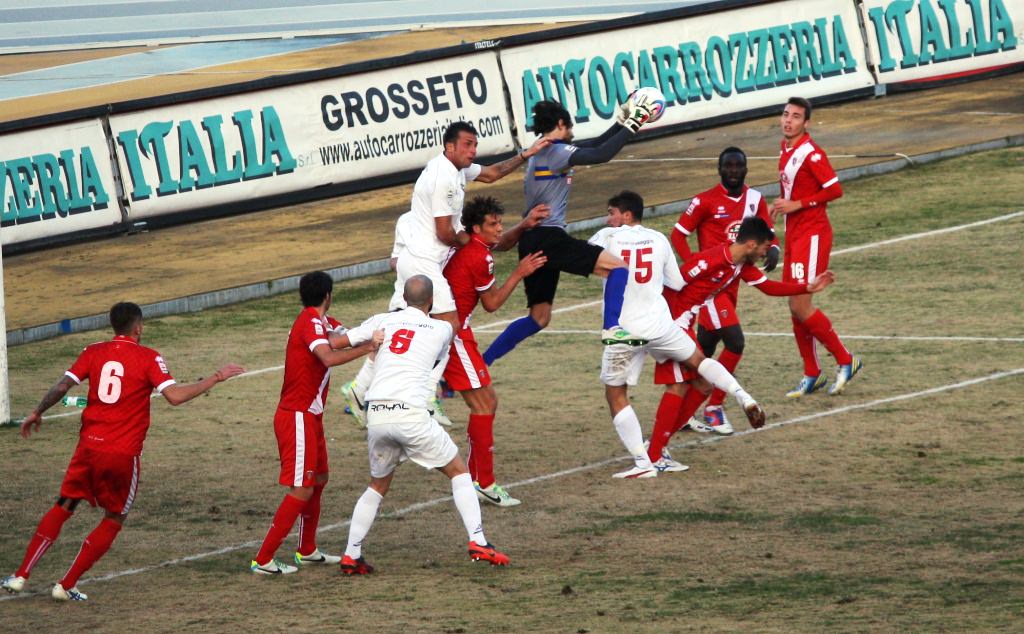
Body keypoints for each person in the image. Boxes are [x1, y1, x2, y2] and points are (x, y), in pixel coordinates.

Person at [1, 302, 245, 601]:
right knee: (115, 516)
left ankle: (20, 575)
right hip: (121, 453)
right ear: (138, 328)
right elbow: (174, 396)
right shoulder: (148, 357)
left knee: (64, 504)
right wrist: (216, 377)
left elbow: (63, 385)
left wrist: (37, 411)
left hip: (88, 447)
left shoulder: (93, 351)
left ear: (113, 325)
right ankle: (65, 585)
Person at [343, 123, 551, 426]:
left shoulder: (457, 170)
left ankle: (360, 389)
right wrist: (468, 242)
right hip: (424, 264)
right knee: (448, 327)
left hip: (413, 261)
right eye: (467, 144)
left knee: (396, 327)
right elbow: (444, 232)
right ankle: (429, 392)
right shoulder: (442, 177)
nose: (472, 150)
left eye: (475, 145)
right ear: (449, 146)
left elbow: (492, 174)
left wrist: (525, 155)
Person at [338, 275, 510, 574]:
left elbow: (340, 341)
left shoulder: (382, 320)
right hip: (411, 414)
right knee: (458, 471)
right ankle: (478, 540)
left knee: (378, 485)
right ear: (430, 301)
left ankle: (351, 554)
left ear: (403, 299)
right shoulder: (442, 328)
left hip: (377, 414)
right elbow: (441, 353)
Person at [588, 191, 766, 479]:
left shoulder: (607, 236)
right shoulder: (659, 239)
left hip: (625, 327)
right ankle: (739, 397)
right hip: (663, 324)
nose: (609, 218)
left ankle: (649, 458)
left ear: (626, 215)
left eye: (611, 212)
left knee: (618, 394)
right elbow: (678, 280)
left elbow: (583, 259)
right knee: (698, 368)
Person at [482, 95, 660, 366]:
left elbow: (596, 144)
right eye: (570, 127)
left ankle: (483, 362)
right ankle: (612, 328)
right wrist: (635, 122)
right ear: (561, 123)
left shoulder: (544, 149)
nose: (573, 133)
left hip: (533, 239)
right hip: (548, 237)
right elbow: (601, 154)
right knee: (618, 267)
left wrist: (621, 123)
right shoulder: (556, 152)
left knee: (539, 317)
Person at [646, 217, 835, 464]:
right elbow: (675, 283)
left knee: (702, 385)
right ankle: (654, 454)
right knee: (680, 385)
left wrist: (806, 288)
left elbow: (768, 287)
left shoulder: (740, 266)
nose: (766, 253)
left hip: (684, 324)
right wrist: (662, 323)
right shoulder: (711, 259)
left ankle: (658, 447)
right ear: (751, 245)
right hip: (672, 324)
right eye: (765, 248)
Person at [250, 272, 380, 576]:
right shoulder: (309, 322)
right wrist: (368, 348)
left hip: (310, 416)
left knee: (318, 480)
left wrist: (377, 332)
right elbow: (328, 357)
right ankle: (263, 558)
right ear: (329, 295)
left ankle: (306, 550)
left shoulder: (323, 322)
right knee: (302, 489)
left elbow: (344, 335)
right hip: (296, 415)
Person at [442, 196, 547, 507]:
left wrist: (523, 225)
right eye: (494, 224)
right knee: (485, 404)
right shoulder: (480, 257)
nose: (500, 229)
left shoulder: (467, 246)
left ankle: (477, 478)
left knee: (487, 402)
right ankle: (483, 482)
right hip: (454, 335)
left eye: (501, 222)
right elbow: (491, 304)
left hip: (455, 331)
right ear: (477, 228)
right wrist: (519, 273)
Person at [670, 146, 779, 435]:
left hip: (732, 284)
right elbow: (679, 233)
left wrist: (775, 247)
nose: (733, 171)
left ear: (746, 169)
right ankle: (714, 407)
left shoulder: (755, 200)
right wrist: (695, 263)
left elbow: (767, 232)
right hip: (711, 289)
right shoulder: (704, 200)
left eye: (738, 166)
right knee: (735, 342)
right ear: (719, 170)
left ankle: (679, 415)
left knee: (703, 352)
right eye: (727, 166)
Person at [772, 97, 861, 397]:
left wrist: (798, 204)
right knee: (794, 306)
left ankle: (846, 359)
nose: (788, 121)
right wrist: (783, 207)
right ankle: (812, 372)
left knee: (800, 304)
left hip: (812, 236)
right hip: (794, 235)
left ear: (806, 123)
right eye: (786, 115)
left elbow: (835, 189)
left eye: (796, 117)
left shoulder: (812, 153)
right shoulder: (785, 150)